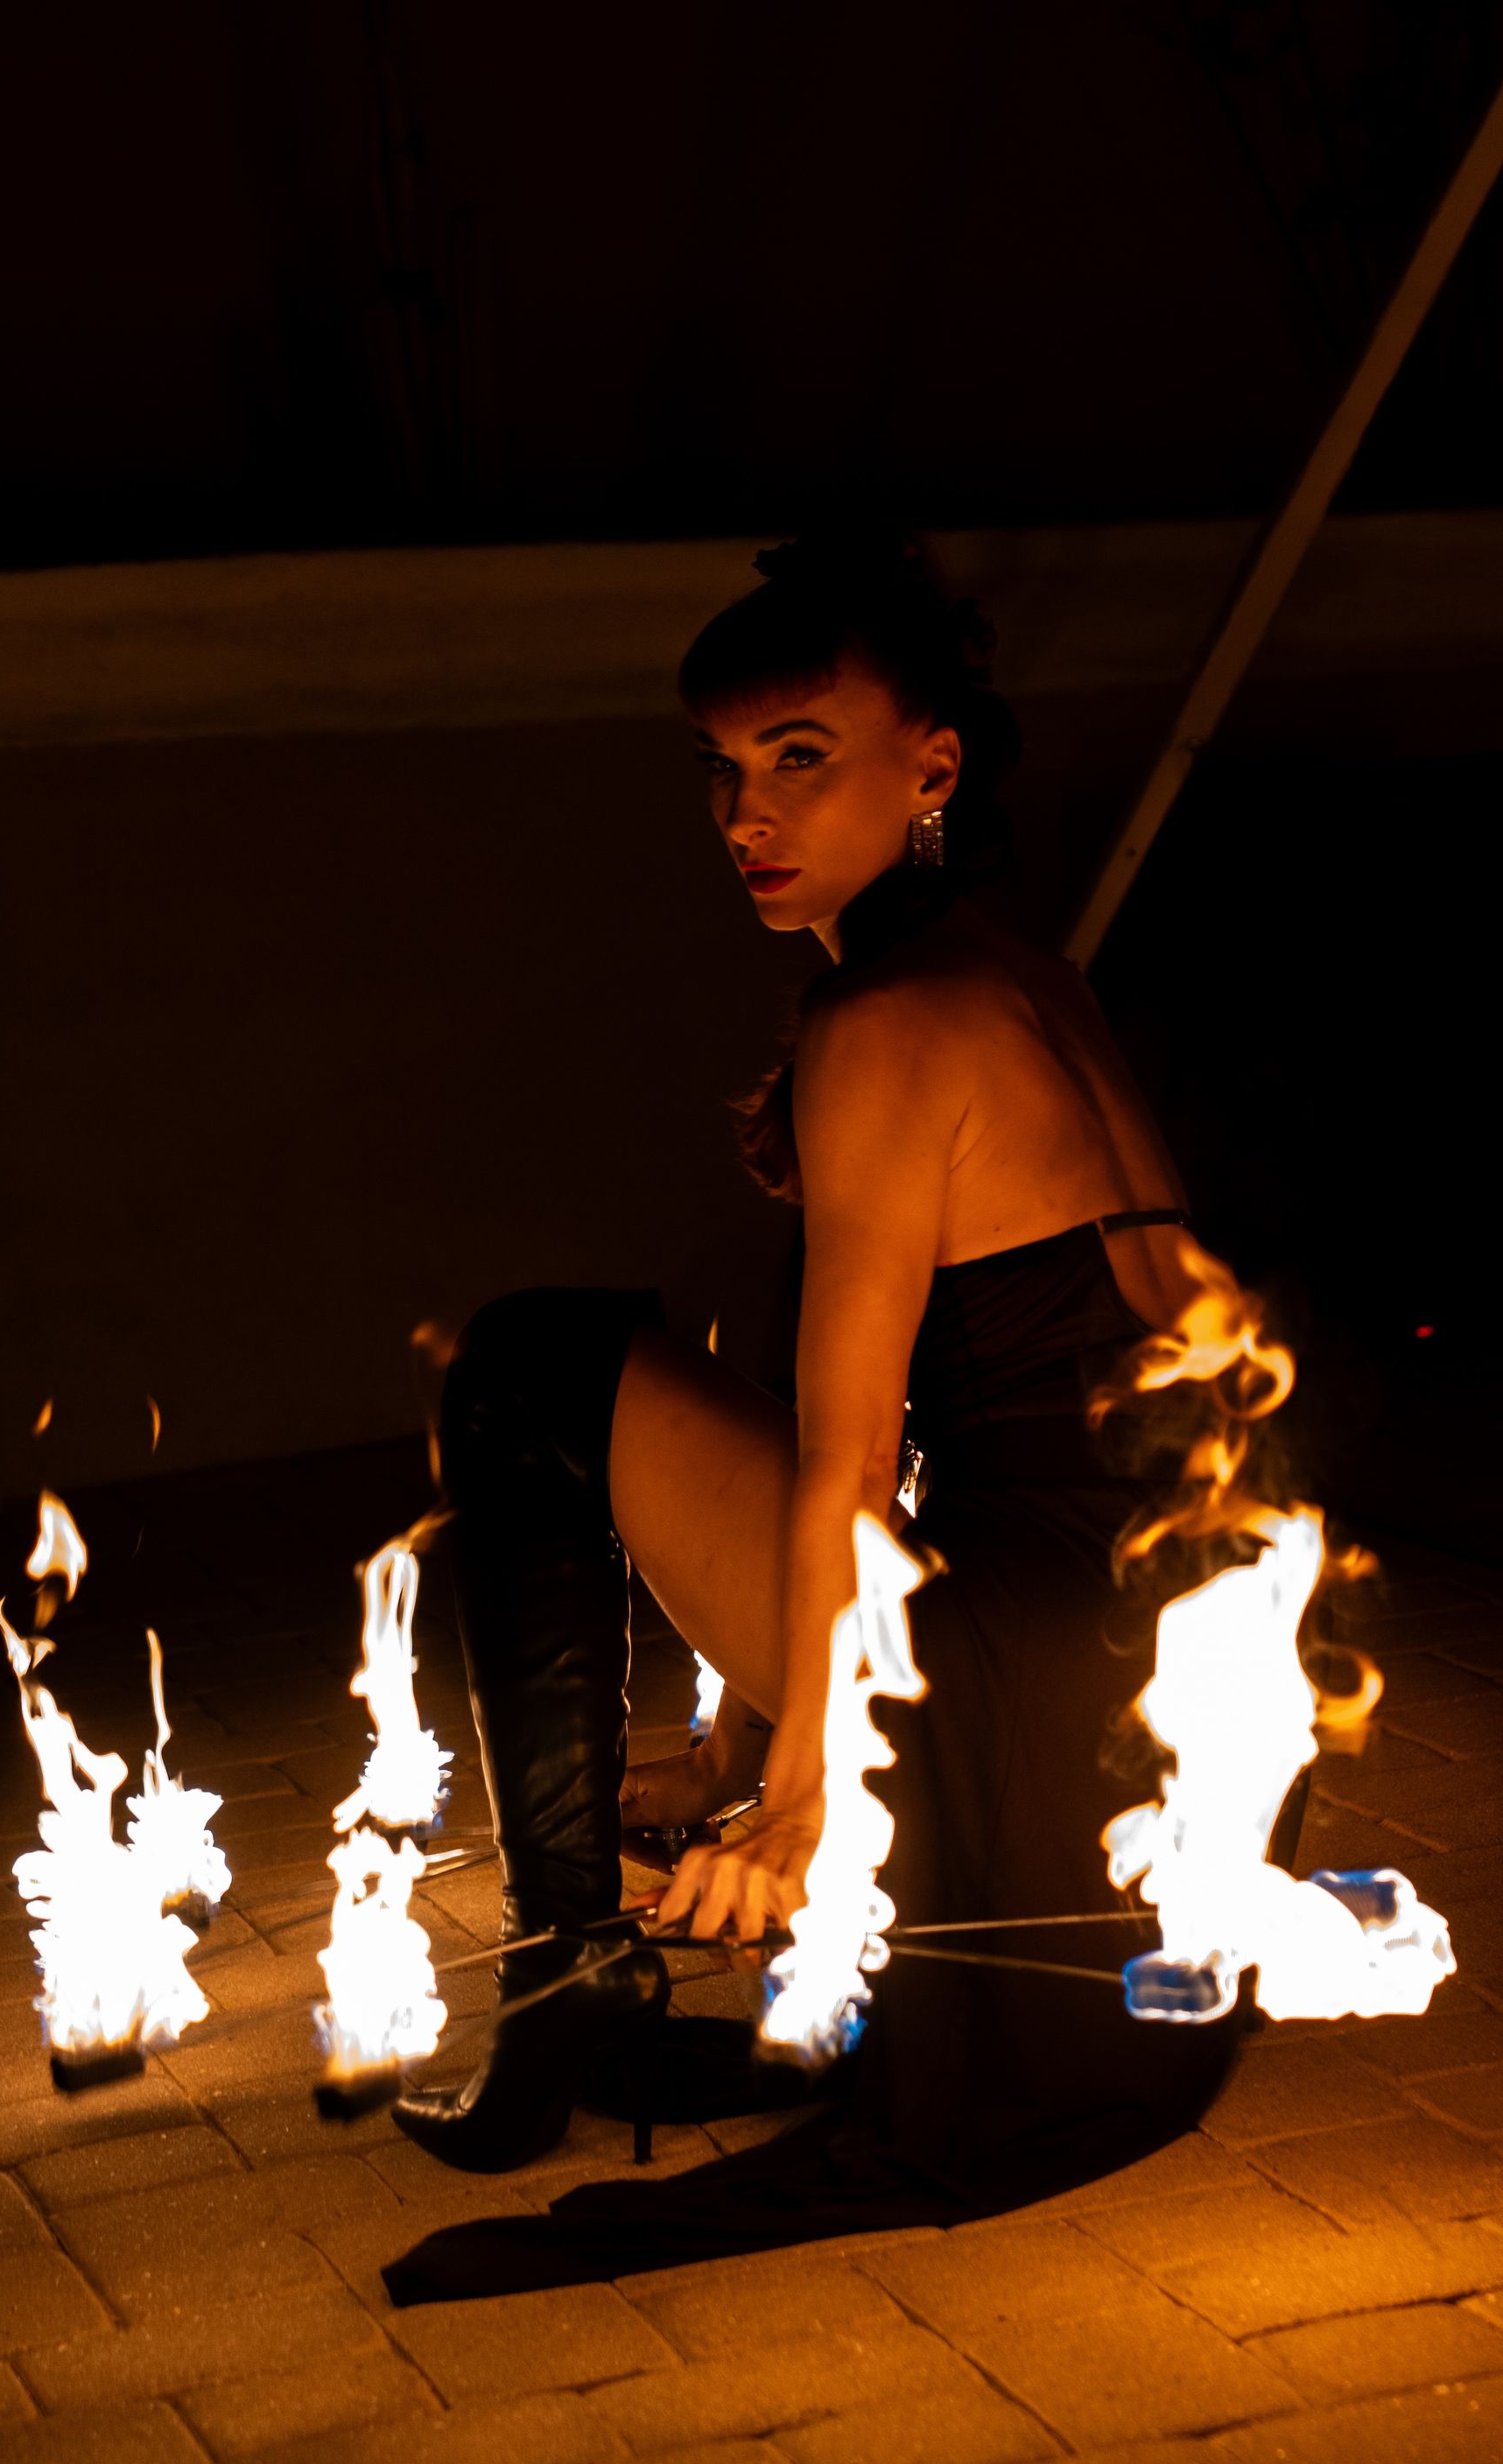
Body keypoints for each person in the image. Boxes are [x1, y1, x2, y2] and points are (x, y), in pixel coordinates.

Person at [382, 534, 1245, 2305]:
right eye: (724, 768)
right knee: (577, 1358)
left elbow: (855, 1459)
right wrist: (734, 1747)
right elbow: (888, 1432)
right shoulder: (1015, 973)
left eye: (800, 757)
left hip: (1024, 1679)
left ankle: (564, 1975)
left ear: (931, 766)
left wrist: (802, 1797)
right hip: (1150, 1689)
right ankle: (587, 1949)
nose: (743, 815)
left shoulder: (886, 1023)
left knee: (524, 1368)